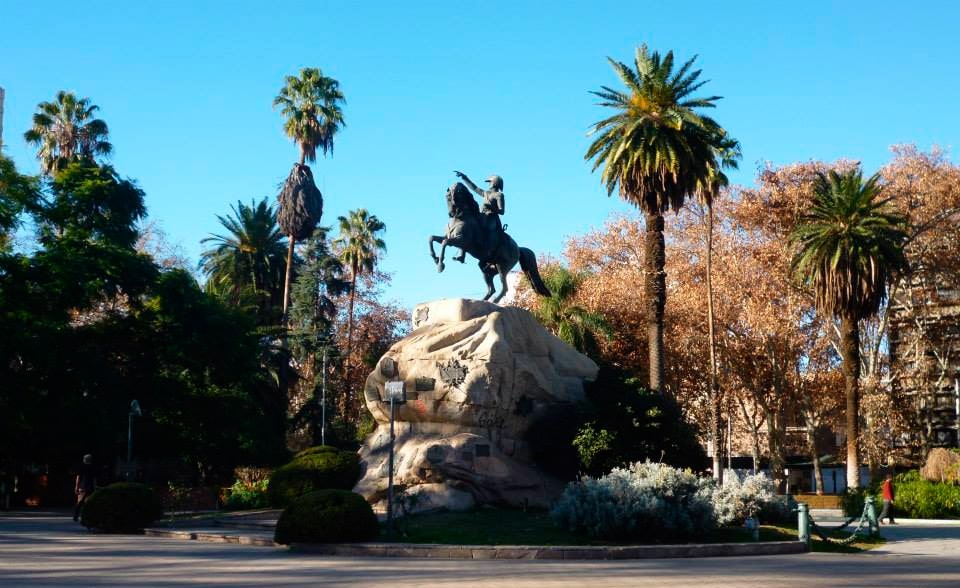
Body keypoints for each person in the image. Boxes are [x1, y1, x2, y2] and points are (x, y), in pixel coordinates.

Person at [453, 170, 506, 259]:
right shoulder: (486, 193)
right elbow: (474, 188)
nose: (489, 184)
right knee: (468, 225)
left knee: (489, 229)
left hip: (492, 218)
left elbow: (502, 211)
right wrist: (465, 178)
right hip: (482, 215)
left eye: (490, 182)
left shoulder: (499, 195)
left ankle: (489, 250)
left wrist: (490, 207)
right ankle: (462, 254)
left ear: (495, 183)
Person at [73, 454, 96, 522]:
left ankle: (76, 516)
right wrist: (94, 487)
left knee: (79, 502)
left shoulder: (82, 467)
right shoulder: (93, 467)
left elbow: (78, 477)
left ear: (84, 460)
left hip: (82, 487)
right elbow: (94, 479)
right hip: (91, 487)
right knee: (89, 503)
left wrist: (76, 487)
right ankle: (87, 517)